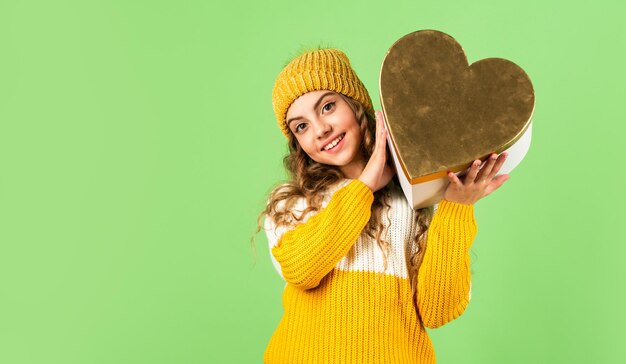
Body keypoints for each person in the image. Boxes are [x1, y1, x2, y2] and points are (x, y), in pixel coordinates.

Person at [254, 47, 509, 363]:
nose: (320, 130)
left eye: (328, 107)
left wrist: (456, 207)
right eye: (301, 126)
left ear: (357, 105)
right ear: (298, 144)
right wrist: (364, 187)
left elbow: (438, 309)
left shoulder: (413, 201)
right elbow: (301, 269)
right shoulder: (292, 204)